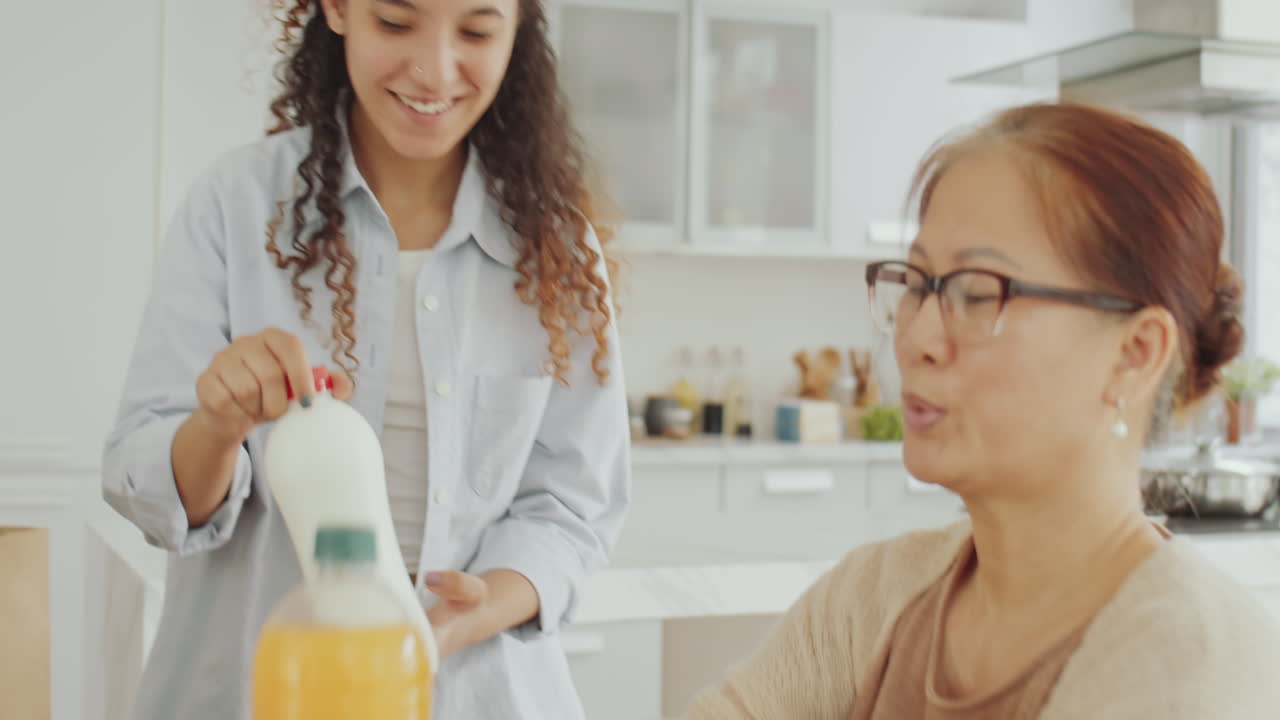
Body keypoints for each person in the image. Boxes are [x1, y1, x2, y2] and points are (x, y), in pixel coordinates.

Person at [101, 0, 630, 718]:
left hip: (479, 693)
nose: (435, 70)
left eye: (476, 31)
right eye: (396, 22)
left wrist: (474, 612)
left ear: (517, 31)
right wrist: (217, 427)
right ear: (339, 9)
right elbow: (143, 484)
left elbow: (573, 508)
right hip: (264, 692)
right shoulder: (237, 207)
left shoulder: (556, 250)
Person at [682, 102, 1280, 719]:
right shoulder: (878, 597)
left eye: (977, 293)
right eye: (918, 284)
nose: (916, 340)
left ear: (1134, 354)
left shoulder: (1192, 666)